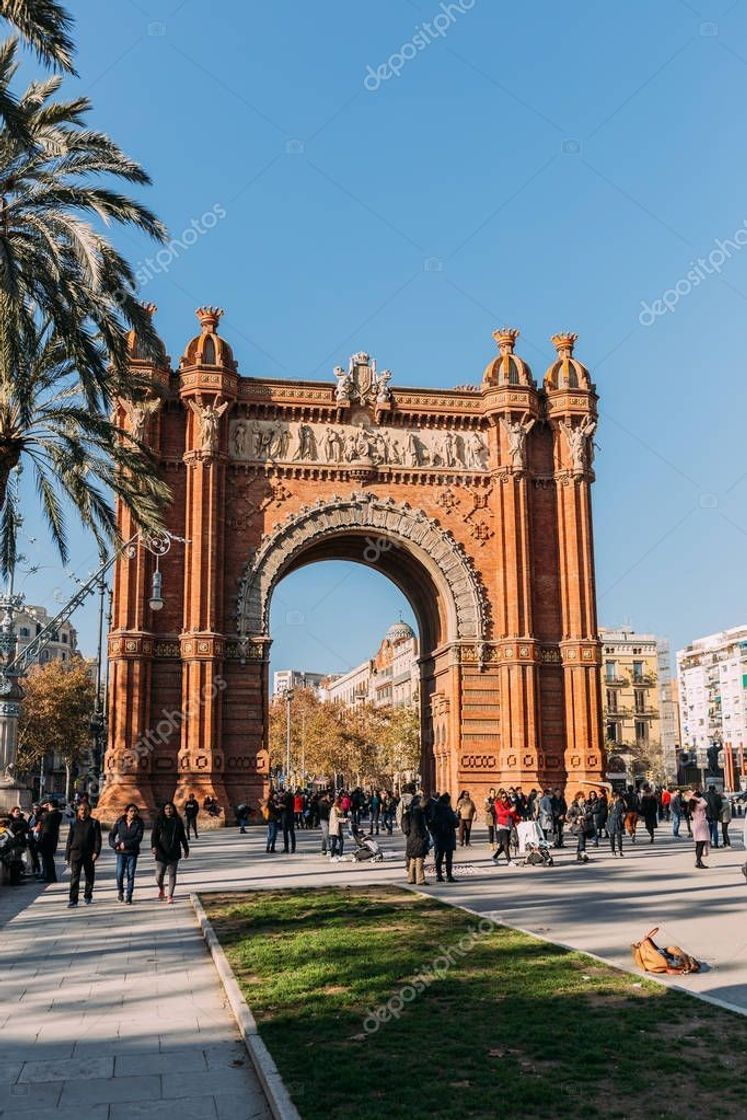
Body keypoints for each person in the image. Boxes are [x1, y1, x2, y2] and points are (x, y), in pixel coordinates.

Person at [151, 801, 189, 903]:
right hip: (161, 851)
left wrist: (186, 849)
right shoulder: (159, 820)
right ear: (163, 810)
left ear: (173, 809)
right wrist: (153, 846)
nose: (168, 810)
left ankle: (170, 896)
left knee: (172, 874)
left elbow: (182, 836)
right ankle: (161, 888)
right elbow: (154, 835)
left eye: (170, 808)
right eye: (166, 808)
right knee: (159, 875)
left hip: (174, 851)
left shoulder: (177, 821)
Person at [65, 803, 102, 907]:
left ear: (89, 811)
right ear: (78, 811)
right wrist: (67, 855)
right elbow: (69, 839)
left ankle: (88, 895)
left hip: (89, 854)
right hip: (75, 853)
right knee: (74, 878)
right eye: (81, 809)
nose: (83, 811)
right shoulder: (73, 822)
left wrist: (96, 852)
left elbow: (97, 840)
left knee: (89, 876)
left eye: (85, 809)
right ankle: (73, 900)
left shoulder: (94, 823)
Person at [109, 803, 144, 903]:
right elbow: (112, 834)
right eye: (131, 811)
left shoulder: (139, 822)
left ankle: (129, 896)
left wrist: (126, 844)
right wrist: (114, 844)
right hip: (120, 852)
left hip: (132, 852)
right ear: (126, 812)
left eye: (135, 811)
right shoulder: (120, 821)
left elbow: (139, 838)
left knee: (130, 874)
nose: (133, 813)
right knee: (119, 873)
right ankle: (120, 891)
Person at [430, 793, 458, 882]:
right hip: (448, 835)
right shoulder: (447, 809)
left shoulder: (435, 808)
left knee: (439, 856)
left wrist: (433, 833)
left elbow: (431, 822)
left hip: (438, 836)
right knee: (448, 857)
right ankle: (449, 876)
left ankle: (439, 875)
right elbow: (455, 822)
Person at [402, 795, 429, 885]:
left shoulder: (409, 811)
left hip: (411, 837)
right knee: (419, 858)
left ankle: (411, 878)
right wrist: (424, 836)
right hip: (418, 837)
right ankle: (420, 879)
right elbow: (418, 827)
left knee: (413, 858)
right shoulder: (418, 812)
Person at [37, 799, 62, 883]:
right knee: (50, 859)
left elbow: (38, 817)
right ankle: (52, 877)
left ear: (49, 805)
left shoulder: (48, 815)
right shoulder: (58, 814)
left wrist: (41, 808)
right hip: (53, 840)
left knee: (46, 860)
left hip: (46, 840)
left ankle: (47, 877)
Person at [492, 791, 518, 866]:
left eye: (505, 797)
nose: (504, 798)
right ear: (500, 797)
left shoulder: (508, 803)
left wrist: (517, 819)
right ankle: (509, 861)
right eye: (503, 797)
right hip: (501, 825)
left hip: (509, 824)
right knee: (506, 843)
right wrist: (509, 811)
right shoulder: (497, 804)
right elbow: (500, 813)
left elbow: (512, 814)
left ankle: (494, 857)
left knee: (505, 845)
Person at [567, 793, 591, 863]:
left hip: (585, 826)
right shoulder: (574, 807)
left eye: (583, 797)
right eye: (582, 798)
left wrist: (584, 816)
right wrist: (576, 818)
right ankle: (583, 852)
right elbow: (568, 816)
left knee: (582, 840)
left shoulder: (586, 806)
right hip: (577, 827)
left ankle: (578, 854)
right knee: (581, 839)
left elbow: (590, 813)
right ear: (578, 798)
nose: (583, 799)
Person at [689, 787, 710, 869]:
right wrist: (697, 797)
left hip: (695, 824)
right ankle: (698, 861)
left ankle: (698, 860)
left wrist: (693, 797)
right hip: (701, 825)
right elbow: (705, 803)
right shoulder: (699, 805)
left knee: (698, 844)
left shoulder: (692, 805)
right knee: (701, 844)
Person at [607, 791, 625, 857]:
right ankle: (613, 851)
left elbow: (622, 809)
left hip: (618, 820)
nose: (616, 798)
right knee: (612, 836)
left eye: (617, 796)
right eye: (615, 796)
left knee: (619, 836)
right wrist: (612, 803)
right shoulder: (611, 802)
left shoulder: (621, 802)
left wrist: (616, 803)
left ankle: (620, 850)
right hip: (611, 820)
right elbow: (608, 808)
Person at [281, 788, 296, 854]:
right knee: (292, 832)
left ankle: (286, 848)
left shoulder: (286, 799)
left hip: (285, 817)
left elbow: (285, 807)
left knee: (285, 833)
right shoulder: (292, 799)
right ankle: (293, 848)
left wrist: (282, 806)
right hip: (291, 816)